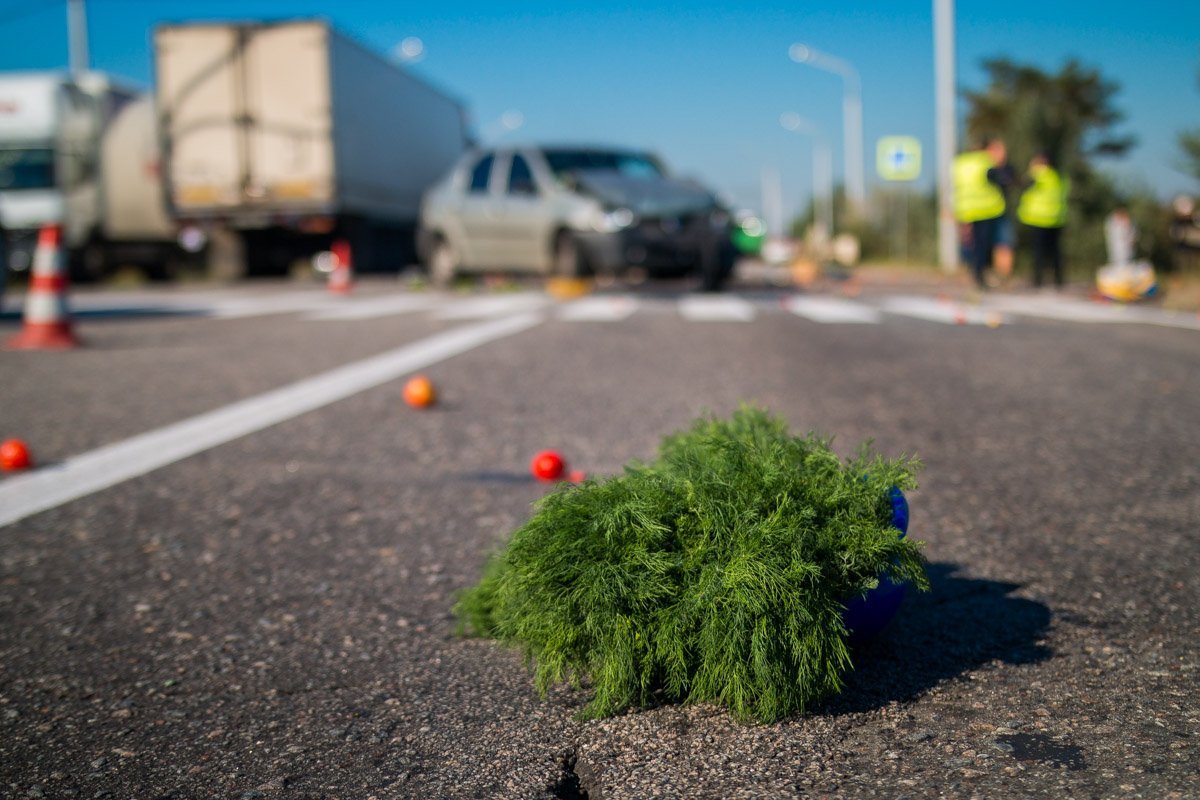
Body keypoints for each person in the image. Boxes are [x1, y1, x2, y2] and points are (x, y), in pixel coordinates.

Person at [953, 137, 1012, 289]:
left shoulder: (961, 163)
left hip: (967, 209)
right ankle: (980, 275)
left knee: (973, 244)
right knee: (985, 245)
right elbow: (997, 179)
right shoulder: (986, 162)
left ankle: (975, 272)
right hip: (987, 208)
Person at [1017, 153, 1069, 289]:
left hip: (1038, 219)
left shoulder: (1036, 175)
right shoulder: (1056, 176)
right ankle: (1059, 280)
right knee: (1055, 252)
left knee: (1038, 252)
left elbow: (1022, 186)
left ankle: (1038, 280)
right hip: (1056, 219)